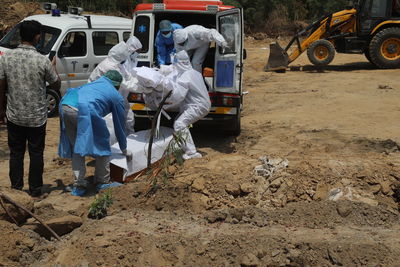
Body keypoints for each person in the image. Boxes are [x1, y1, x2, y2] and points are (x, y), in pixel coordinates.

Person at [0, 20, 61, 197]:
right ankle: (35, 190)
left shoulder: (7, 58)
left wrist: (1, 110)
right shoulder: (42, 61)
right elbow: (56, 85)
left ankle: (16, 189)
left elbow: (1, 84)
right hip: (36, 118)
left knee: (16, 153)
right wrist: (54, 68)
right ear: (37, 37)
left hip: (14, 115)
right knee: (36, 153)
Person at [59, 70, 132, 197]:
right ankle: (102, 181)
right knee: (102, 142)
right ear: (118, 85)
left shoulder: (96, 83)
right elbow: (120, 125)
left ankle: (79, 185)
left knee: (77, 146)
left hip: (65, 104)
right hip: (83, 109)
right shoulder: (116, 96)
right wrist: (124, 148)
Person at [135, 50, 211, 159]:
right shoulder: (194, 72)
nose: (174, 66)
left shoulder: (185, 76)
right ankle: (183, 146)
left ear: (179, 63)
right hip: (199, 104)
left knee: (179, 124)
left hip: (197, 106)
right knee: (179, 122)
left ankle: (192, 153)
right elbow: (173, 70)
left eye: (175, 63)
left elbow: (177, 96)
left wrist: (163, 98)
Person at [89, 38, 142, 135]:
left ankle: (128, 137)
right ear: (120, 56)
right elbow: (124, 83)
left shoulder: (117, 64)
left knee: (129, 117)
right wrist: (142, 88)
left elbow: (128, 76)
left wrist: (139, 81)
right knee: (109, 122)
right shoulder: (109, 66)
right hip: (100, 97)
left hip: (116, 95)